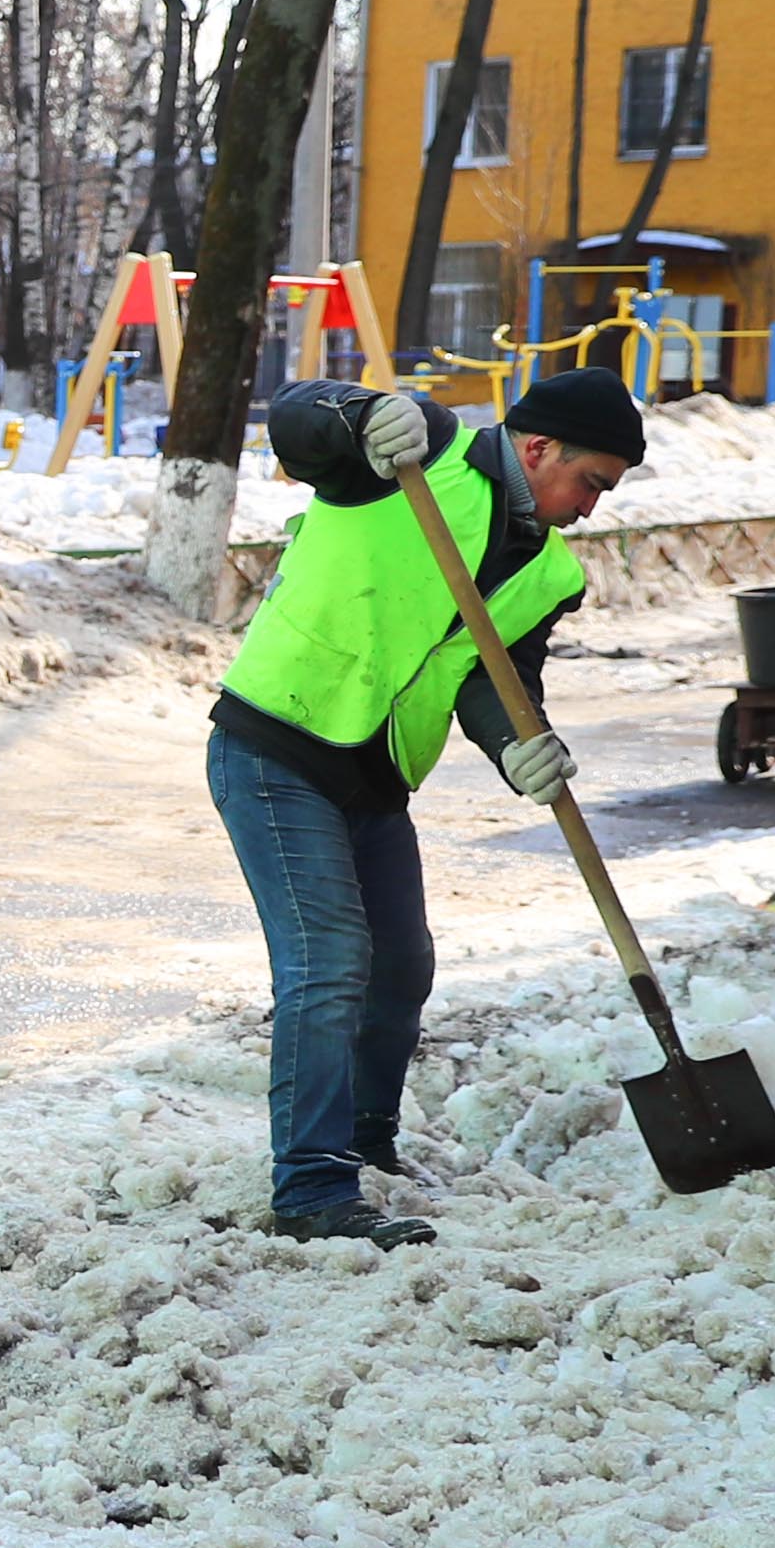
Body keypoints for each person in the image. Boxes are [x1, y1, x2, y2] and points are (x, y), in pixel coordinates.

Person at [205, 368, 643, 1246]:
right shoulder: (421, 450)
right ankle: (312, 1190)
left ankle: (366, 1142)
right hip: (278, 744)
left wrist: (519, 742)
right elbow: (296, 418)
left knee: (401, 967)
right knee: (329, 961)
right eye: (590, 481)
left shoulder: (551, 572)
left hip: (375, 776)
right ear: (538, 448)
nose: (590, 508)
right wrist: (362, 414)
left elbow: (494, 676)